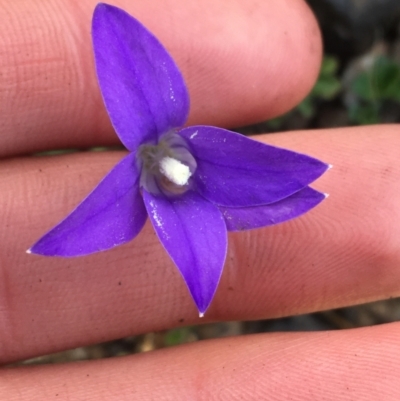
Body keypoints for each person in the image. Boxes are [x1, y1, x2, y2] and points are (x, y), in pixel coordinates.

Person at [1, 0, 399, 399]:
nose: (173, 168)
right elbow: (117, 39)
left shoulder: (186, 171)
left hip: (176, 168)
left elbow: (282, 182)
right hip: (149, 148)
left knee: (291, 186)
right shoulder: (152, 133)